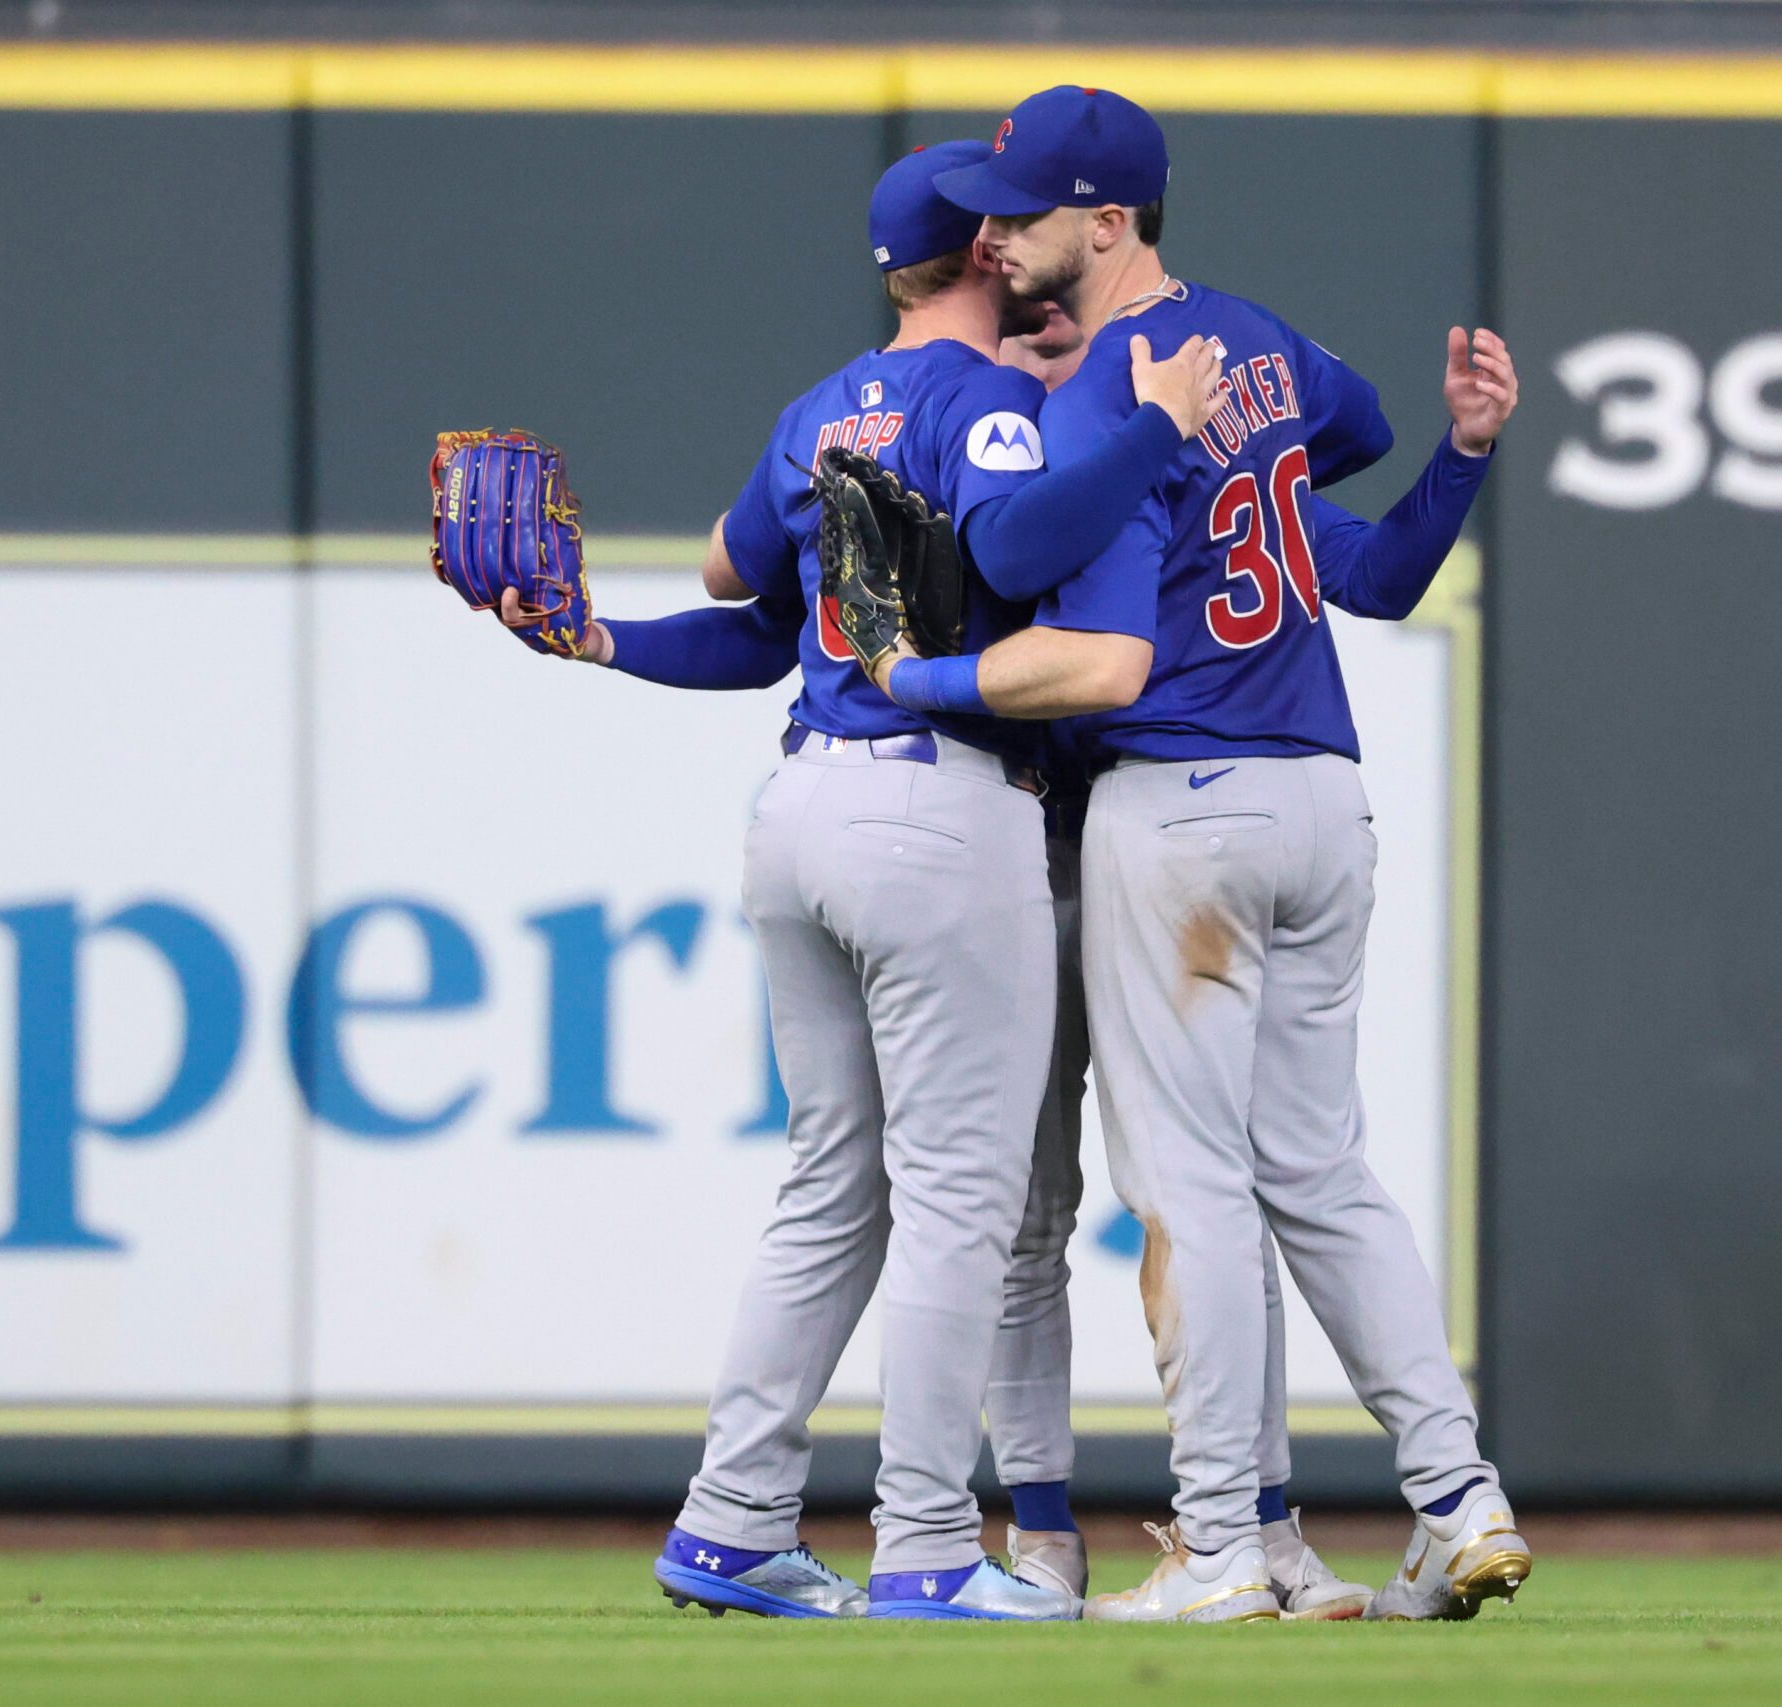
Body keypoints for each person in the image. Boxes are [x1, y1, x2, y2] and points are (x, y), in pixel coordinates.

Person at [505, 138, 1224, 1621]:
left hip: (799, 815)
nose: (1027, 240)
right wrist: (1135, 428)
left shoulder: (819, 407)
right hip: (936, 811)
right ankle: (924, 1553)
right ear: (984, 253)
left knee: (833, 1191)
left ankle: (729, 1521)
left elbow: (737, 593)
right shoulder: (999, 408)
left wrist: (602, 641)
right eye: (1009, 227)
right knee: (961, 1199)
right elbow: (1028, 540)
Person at [885, 85, 1533, 1622]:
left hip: (1183, 807)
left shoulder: (1117, 374)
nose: (1002, 234)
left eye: (1029, 213)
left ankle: (1226, 1547)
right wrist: (1461, 454)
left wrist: (1130, 437)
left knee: (1196, 1192)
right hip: (1321, 797)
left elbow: (1014, 553)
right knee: (1325, 1172)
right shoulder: (1258, 339)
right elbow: (1360, 538)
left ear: (1107, 222)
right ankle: (1457, 1494)